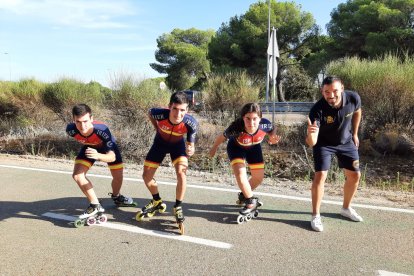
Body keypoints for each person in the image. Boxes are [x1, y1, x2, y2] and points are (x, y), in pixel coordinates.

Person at [306, 76, 363, 232]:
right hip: (324, 144)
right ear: (322, 91)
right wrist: (311, 134)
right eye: (326, 92)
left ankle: (346, 208)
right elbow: (312, 142)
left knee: (355, 175)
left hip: (346, 142)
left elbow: (357, 112)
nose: (331, 95)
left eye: (335, 91)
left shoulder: (353, 98)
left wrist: (355, 133)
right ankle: (315, 215)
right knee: (320, 176)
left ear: (342, 89)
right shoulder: (317, 110)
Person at [209, 103, 280, 215]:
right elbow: (221, 137)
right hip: (236, 148)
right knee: (240, 175)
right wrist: (214, 148)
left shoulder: (264, 125)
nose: (251, 123)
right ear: (243, 118)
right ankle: (251, 201)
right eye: (248, 118)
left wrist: (272, 136)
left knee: (258, 178)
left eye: (254, 119)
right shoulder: (237, 127)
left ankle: (244, 194)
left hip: (254, 148)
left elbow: (273, 128)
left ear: (260, 118)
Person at [139, 91, 198, 226]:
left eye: (182, 110)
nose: (178, 114)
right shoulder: (159, 113)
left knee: (181, 174)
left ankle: (178, 206)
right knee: (146, 176)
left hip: (177, 146)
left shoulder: (191, 123)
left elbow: (191, 145)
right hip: (159, 144)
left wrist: (191, 148)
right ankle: (157, 201)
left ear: (187, 110)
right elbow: (150, 113)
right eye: (175, 109)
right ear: (169, 106)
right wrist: (157, 127)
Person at [66, 104, 134, 219]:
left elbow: (112, 157)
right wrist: (92, 152)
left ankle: (116, 196)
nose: (82, 126)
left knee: (118, 177)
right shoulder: (70, 130)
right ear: (73, 120)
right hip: (89, 148)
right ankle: (95, 204)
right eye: (78, 122)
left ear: (92, 119)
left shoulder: (102, 130)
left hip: (107, 150)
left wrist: (98, 155)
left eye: (86, 121)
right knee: (77, 176)